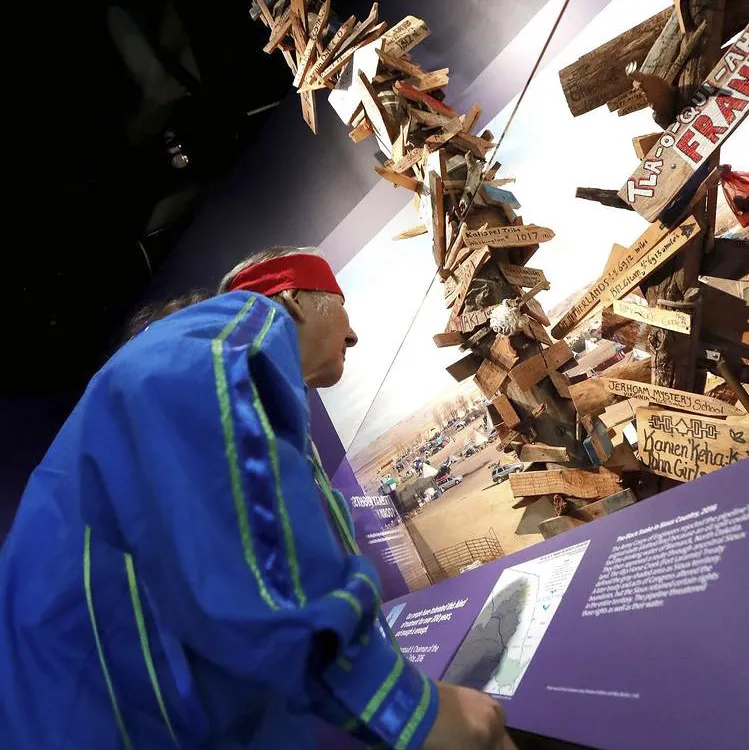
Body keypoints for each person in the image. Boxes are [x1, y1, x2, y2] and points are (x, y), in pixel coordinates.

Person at [0, 246, 514, 749]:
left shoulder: (230, 417)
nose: (352, 334)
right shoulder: (220, 336)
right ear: (289, 300)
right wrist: (405, 708)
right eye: (339, 305)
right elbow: (257, 561)